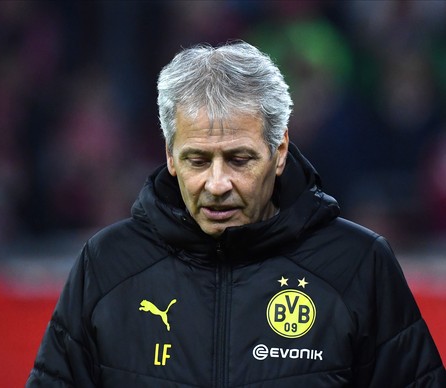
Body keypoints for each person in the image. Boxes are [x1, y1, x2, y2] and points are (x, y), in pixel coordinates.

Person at [27, 40, 445, 387]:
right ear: (169, 155)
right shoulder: (107, 264)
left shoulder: (358, 264)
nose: (217, 183)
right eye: (197, 160)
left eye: (239, 159)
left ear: (279, 151)